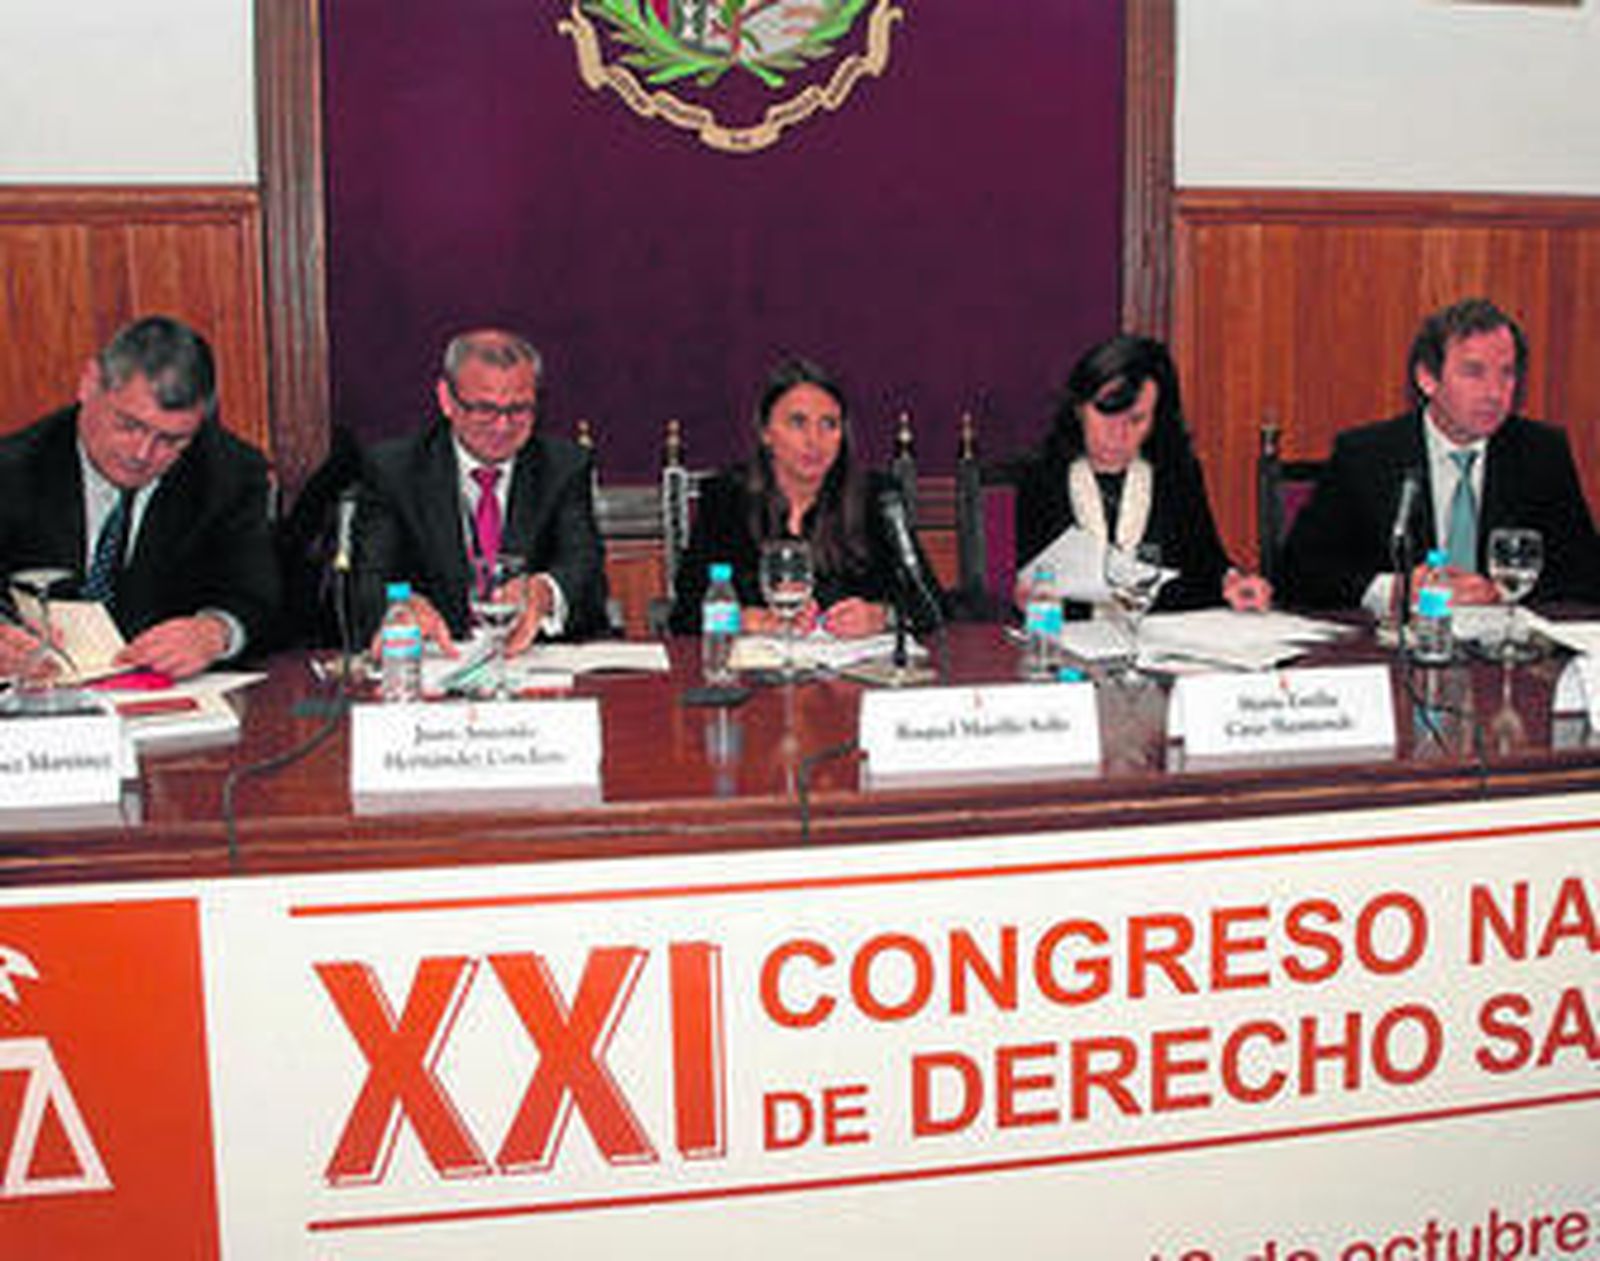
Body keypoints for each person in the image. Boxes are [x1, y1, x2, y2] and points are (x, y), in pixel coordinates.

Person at [0, 314, 280, 680]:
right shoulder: (14, 471)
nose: (142, 453)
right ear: (89, 384)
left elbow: (258, 598)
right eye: (129, 425)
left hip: (168, 705)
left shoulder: (229, 474)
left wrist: (215, 632)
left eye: (171, 440)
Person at [1280, 297, 1598, 613]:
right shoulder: (1366, 455)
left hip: (1503, 654)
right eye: (1474, 372)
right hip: (1400, 651)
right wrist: (1393, 591)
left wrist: (1502, 594)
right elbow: (1298, 571)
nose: (1494, 392)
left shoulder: (1541, 453)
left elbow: (1586, 575)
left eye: (1507, 374)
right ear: (1427, 379)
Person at [357, 329, 607, 652]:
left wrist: (545, 592)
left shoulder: (563, 466)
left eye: (519, 410)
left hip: (535, 668)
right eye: (485, 410)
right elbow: (369, 579)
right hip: (438, 662)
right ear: (447, 400)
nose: (502, 426)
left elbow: (583, 567)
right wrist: (401, 607)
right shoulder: (395, 470)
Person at [668, 357, 941, 636]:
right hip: (753, 674)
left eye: (829, 424)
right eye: (798, 423)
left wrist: (884, 617)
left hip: (853, 674)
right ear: (766, 432)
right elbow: (685, 616)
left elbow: (932, 606)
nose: (814, 439)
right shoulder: (725, 500)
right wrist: (745, 620)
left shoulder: (877, 499)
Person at [1013, 333, 1269, 614]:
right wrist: (1030, 596)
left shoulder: (1175, 471)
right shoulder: (1044, 476)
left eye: (1136, 420)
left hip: (1163, 644)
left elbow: (1207, 563)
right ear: (1079, 408)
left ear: (1155, 419)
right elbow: (1035, 580)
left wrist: (1233, 582)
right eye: (1106, 414)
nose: (1118, 434)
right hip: (1075, 647)